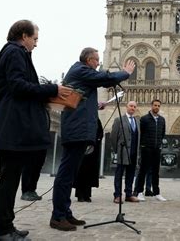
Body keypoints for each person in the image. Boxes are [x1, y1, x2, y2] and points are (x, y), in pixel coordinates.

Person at [0, 19, 72, 241]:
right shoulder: (15, 52)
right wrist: (53, 89)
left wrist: (46, 96)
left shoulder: (15, 53)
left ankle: (7, 225)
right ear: (23, 36)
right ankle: (2, 231)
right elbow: (18, 86)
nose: (36, 44)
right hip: (13, 128)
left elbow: (21, 87)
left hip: (12, 126)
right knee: (9, 180)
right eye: (34, 39)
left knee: (11, 179)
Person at [50, 48, 135, 232]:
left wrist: (96, 105)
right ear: (89, 60)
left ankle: (64, 212)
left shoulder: (81, 72)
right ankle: (57, 216)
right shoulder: (81, 70)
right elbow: (104, 79)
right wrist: (125, 73)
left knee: (70, 174)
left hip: (78, 129)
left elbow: (80, 97)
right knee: (66, 175)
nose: (98, 63)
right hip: (76, 130)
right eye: (96, 60)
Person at [134, 99, 167, 202]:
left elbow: (162, 133)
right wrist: (143, 145)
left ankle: (156, 193)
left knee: (156, 172)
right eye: (155, 105)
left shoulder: (162, 120)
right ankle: (139, 192)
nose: (156, 107)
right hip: (146, 148)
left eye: (158, 105)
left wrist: (159, 144)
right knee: (143, 171)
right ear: (151, 106)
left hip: (156, 148)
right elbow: (141, 133)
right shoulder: (144, 119)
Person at [111, 101, 140, 203]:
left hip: (134, 152)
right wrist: (117, 150)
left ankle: (129, 194)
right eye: (131, 106)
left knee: (131, 174)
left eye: (134, 107)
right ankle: (117, 195)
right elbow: (113, 137)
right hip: (122, 151)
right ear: (126, 107)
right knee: (119, 174)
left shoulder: (137, 121)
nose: (133, 108)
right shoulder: (119, 120)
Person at [73, 115, 104, 203]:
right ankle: (80, 195)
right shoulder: (80, 118)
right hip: (81, 150)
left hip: (92, 151)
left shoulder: (96, 119)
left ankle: (87, 194)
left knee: (89, 173)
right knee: (80, 172)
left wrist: (97, 140)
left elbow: (100, 132)